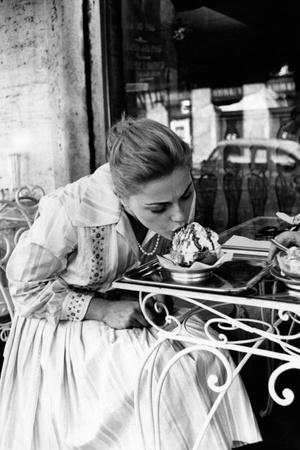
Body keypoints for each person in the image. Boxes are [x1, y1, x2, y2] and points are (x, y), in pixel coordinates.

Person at [0, 117, 261, 449]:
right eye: (158, 207)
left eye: (186, 194)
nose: (180, 215)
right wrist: (101, 309)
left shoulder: (169, 207)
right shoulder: (69, 209)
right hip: (60, 325)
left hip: (131, 307)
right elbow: (23, 288)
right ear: (121, 195)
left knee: (207, 346)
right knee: (162, 373)